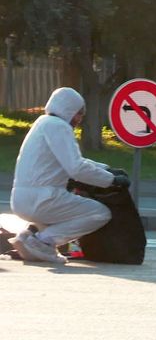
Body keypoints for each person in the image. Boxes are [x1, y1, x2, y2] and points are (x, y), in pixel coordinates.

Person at [8, 87, 130, 263]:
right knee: (100, 213)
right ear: (69, 110)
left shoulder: (42, 123)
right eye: (79, 114)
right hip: (43, 197)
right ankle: (42, 241)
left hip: (21, 199)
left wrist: (106, 168)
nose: (79, 119)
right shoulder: (60, 127)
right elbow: (77, 168)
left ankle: (29, 235)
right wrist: (111, 180)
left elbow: (72, 160)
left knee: (62, 213)